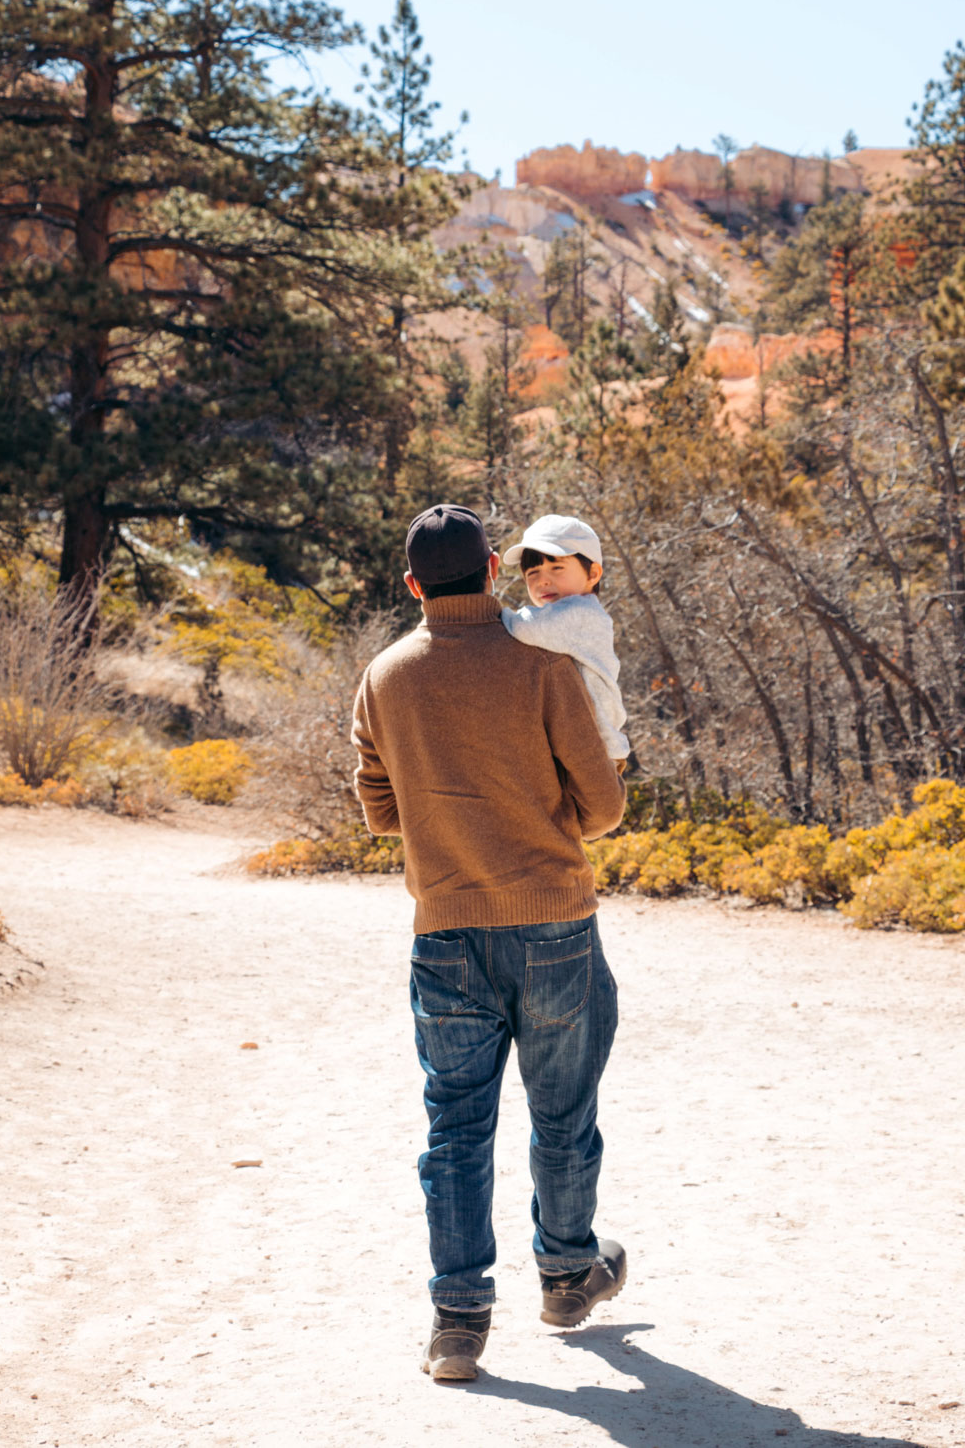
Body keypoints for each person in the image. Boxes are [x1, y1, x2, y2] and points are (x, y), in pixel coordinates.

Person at [350, 503, 628, 1383]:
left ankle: (458, 1324)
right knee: (562, 1110)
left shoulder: (385, 676)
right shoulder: (541, 665)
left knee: (457, 1128)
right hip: (552, 919)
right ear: (496, 571)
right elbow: (606, 806)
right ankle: (567, 1273)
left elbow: (377, 805)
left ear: (412, 586)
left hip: (445, 928)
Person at [500, 513, 630, 765]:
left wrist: (493, 614)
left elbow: (524, 628)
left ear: (593, 573)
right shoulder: (571, 615)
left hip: (597, 753)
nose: (543, 580)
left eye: (556, 568)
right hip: (588, 748)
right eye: (533, 572)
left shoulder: (579, 612)